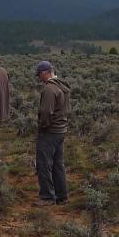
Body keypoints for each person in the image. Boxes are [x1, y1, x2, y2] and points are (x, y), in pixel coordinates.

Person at [34, 60, 71, 205]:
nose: (39, 78)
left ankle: (47, 197)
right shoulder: (62, 86)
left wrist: (42, 128)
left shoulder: (49, 89)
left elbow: (45, 112)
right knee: (58, 164)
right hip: (61, 130)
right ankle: (62, 196)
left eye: (39, 75)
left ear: (46, 73)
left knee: (44, 164)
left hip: (50, 132)